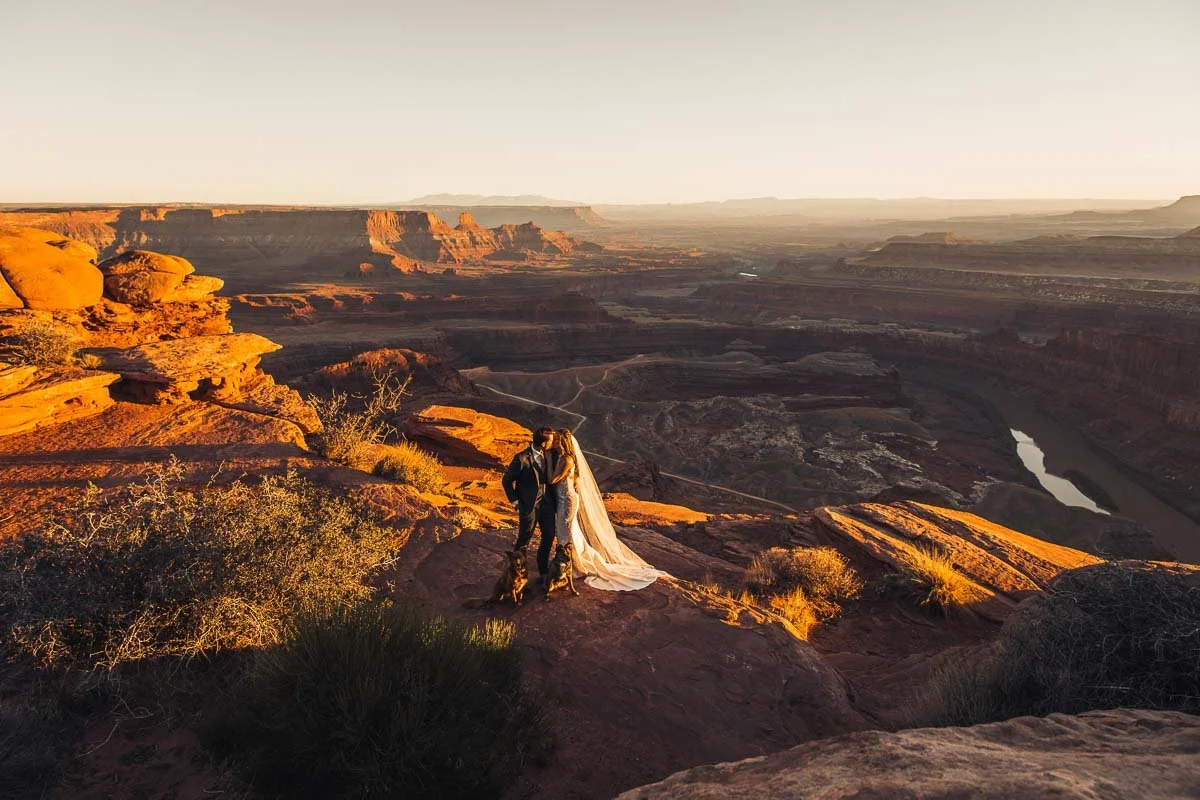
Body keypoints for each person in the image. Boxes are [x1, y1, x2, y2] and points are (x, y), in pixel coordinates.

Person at [553, 428, 666, 592]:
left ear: (563, 442)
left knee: (567, 531)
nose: (555, 443)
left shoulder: (568, 460)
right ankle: (573, 561)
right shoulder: (565, 458)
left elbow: (554, 479)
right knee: (569, 531)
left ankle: (576, 564)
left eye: (557, 440)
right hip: (565, 499)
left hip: (568, 500)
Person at [502, 427, 559, 580]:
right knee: (524, 539)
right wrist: (515, 501)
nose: (553, 444)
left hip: (547, 504)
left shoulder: (551, 455)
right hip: (528, 506)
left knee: (549, 535)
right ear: (543, 443)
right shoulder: (521, 458)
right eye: (551, 441)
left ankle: (543, 570)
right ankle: (516, 573)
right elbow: (507, 480)